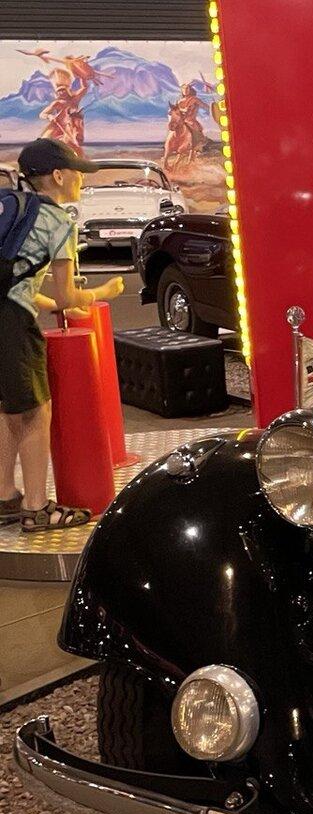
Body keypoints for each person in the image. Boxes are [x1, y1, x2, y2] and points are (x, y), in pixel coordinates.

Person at [0, 137, 124, 532]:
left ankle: (4, 496)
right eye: (77, 173)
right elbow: (69, 294)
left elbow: (18, 281)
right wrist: (103, 292)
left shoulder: (14, 209)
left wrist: (55, 304)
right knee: (35, 413)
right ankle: (37, 508)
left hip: (3, 312)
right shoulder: (57, 221)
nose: (80, 180)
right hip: (13, 324)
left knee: (7, 407)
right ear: (58, 175)